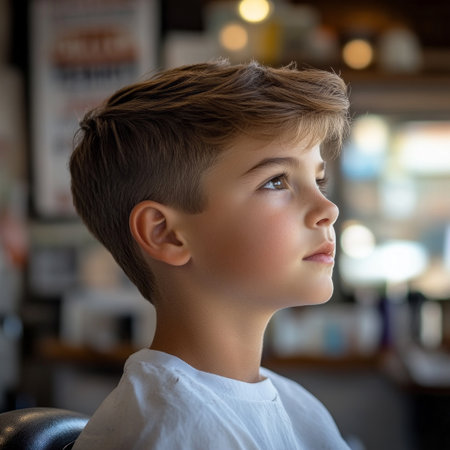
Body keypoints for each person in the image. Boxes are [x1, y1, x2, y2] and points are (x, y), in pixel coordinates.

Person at [70, 59, 350, 449]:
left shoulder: (298, 407)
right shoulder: (174, 432)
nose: (328, 209)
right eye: (276, 181)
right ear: (166, 234)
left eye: (318, 180)